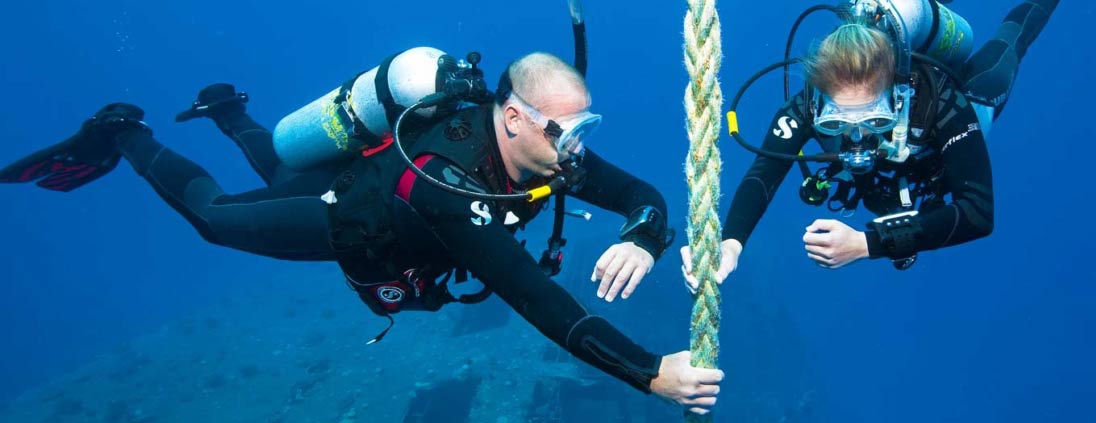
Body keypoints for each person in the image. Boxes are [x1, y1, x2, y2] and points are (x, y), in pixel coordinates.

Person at [1, 52, 723, 415]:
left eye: (585, 128)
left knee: (280, 161)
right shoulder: (449, 183)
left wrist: (642, 236)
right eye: (568, 129)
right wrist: (649, 372)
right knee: (218, 219)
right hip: (348, 217)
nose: (578, 147)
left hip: (369, 187)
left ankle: (225, 110)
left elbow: (641, 193)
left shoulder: (550, 151)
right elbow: (537, 298)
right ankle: (125, 130)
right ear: (513, 118)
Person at [683, 0, 1059, 289]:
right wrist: (731, 243)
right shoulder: (805, 106)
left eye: (875, 119)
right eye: (838, 122)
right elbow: (763, 174)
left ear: (897, 96)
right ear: (820, 103)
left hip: (955, 119)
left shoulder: (938, 99)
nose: (858, 135)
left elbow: (978, 212)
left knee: (1010, 41)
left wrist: (867, 244)